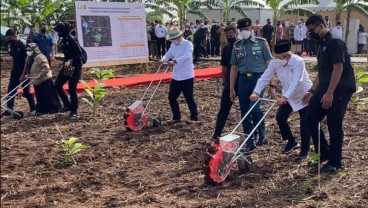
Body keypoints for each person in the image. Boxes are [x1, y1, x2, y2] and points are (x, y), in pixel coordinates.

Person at [302, 14, 356, 173]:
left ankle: (335, 161)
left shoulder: (335, 42)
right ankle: (325, 151)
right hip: (324, 88)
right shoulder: (321, 43)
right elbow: (322, 70)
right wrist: (312, 90)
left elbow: (338, 68)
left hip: (340, 89)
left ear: (320, 26)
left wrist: (330, 93)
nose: (310, 33)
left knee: (334, 122)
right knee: (310, 118)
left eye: (312, 29)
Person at [250, 41, 312, 160]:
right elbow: (265, 77)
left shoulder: (298, 62)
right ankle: (291, 141)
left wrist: (285, 97)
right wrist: (256, 91)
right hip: (288, 95)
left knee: (305, 124)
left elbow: (297, 81)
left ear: (287, 56)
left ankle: (304, 151)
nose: (276, 59)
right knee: (280, 118)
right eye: (275, 56)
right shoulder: (274, 63)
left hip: (303, 95)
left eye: (278, 57)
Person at [229, 18, 273, 151]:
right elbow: (234, 67)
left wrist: (271, 85)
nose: (244, 32)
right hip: (243, 80)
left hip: (258, 79)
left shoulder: (261, 43)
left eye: (247, 30)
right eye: (242, 30)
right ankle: (250, 139)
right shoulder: (237, 45)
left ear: (252, 29)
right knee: (244, 111)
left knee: (255, 108)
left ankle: (262, 133)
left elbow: (269, 64)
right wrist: (231, 88)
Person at [162, 27, 198, 123]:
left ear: (179, 37)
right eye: (171, 39)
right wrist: (163, 59)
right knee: (172, 97)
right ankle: (176, 117)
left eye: (173, 39)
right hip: (176, 76)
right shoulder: (172, 45)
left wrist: (175, 61)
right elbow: (168, 54)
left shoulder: (188, 44)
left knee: (189, 97)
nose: (172, 40)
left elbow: (187, 56)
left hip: (187, 76)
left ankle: (194, 117)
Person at [212, 25, 239, 140]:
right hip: (229, 82)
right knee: (223, 109)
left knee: (248, 110)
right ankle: (216, 134)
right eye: (227, 36)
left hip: (242, 81)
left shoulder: (241, 47)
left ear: (236, 34)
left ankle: (255, 135)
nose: (229, 38)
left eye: (231, 36)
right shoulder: (227, 49)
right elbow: (224, 67)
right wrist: (224, 81)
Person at [54, 22, 84, 120]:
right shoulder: (64, 39)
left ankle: (74, 111)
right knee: (58, 84)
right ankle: (67, 105)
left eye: (59, 31)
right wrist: (64, 63)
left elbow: (79, 54)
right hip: (68, 65)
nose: (58, 33)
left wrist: (71, 60)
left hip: (75, 66)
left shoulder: (72, 39)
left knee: (72, 89)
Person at [20, 43, 61, 115]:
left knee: (47, 96)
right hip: (36, 80)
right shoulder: (28, 58)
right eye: (27, 50)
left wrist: (40, 75)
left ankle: (52, 109)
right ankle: (42, 110)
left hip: (44, 80)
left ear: (34, 49)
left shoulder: (40, 57)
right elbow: (26, 68)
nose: (28, 51)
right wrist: (23, 76)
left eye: (29, 50)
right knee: (39, 96)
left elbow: (46, 68)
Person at [3, 29, 36, 117]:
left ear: (13, 35)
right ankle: (9, 108)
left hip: (23, 70)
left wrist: (24, 74)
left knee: (26, 90)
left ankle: (33, 108)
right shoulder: (12, 44)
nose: (8, 38)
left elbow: (27, 60)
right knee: (11, 89)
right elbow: (13, 58)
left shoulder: (23, 44)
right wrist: (12, 69)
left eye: (9, 37)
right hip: (15, 70)